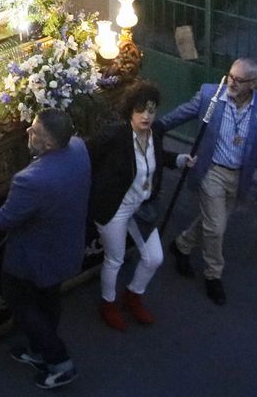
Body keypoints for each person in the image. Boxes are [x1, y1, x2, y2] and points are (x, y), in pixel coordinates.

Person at [0, 109, 91, 391]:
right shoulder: (77, 148)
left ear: (49, 144)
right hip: (66, 248)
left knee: (20, 303)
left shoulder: (31, 180)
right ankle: (39, 351)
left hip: (33, 258)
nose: (28, 131)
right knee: (49, 299)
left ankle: (59, 360)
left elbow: (5, 219)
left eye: (35, 132)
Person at [157, 57, 257, 306]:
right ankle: (213, 275)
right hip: (212, 170)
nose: (231, 83)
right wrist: (154, 127)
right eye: (230, 76)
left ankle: (182, 245)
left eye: (239, 80)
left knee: (212, 221)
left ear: (253, 83)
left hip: (239, 176)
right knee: (216, 227)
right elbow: (182, 113)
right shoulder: (211, 96)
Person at [87, 81, 172, 330]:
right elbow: (90, 156)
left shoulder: (156, 132)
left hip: (142, 206)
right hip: (116, 207)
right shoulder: (114, 136)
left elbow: (158, 158)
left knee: (154, 258)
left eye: (151, 110)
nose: (146, 116)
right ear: (129, 111)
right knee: (115, 258)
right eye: (140, 110)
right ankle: (108, 303)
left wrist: (177, 159)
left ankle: (134, 295)